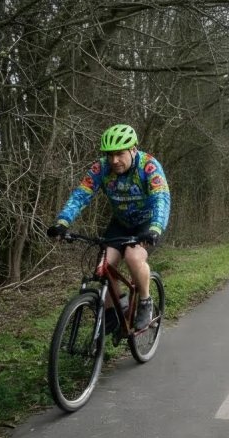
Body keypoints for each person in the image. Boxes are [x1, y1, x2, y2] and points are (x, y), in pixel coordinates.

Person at [47, 124, 170, 331]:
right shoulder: (101, 168)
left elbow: (161, 198)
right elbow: (81, 195)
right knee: (103, 266)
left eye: (120, 154)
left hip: (147, 224)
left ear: (133, 149)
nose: (114, 161)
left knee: (133, 257)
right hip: (120, 223)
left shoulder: (149, 166)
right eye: (109, 155)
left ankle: (145, 301)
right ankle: (116, 308)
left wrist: (155, 228)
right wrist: (62, 222)